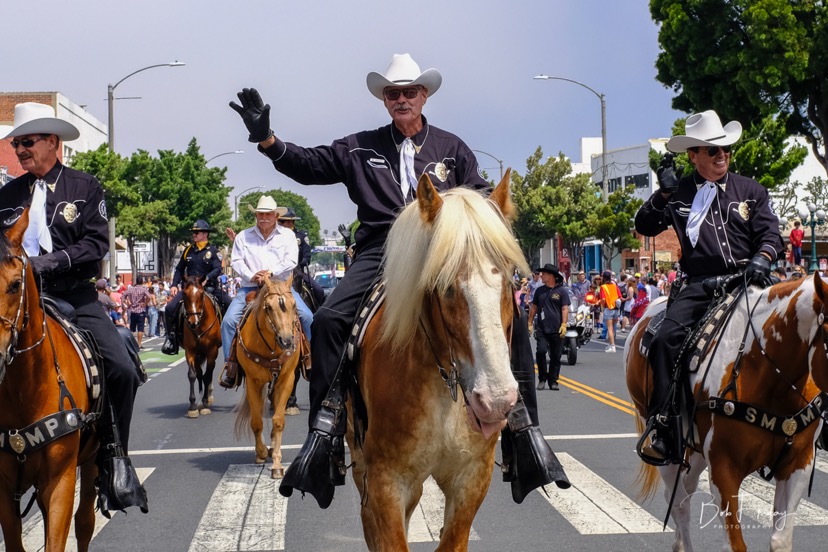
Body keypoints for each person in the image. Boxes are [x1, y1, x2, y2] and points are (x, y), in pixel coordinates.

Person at [230, 53, 563, 505]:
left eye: (409, 92)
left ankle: (525, 432)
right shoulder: (360, 147)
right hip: (382, 252)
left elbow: (481, 196)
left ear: (424, 96)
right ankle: (324, 434)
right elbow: (309, 164)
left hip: (441, 255)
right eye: (393, 93)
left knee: (510, 315)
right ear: (384, 100)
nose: (402, 99)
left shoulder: (452, 147)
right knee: (328, 321)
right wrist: (267, 140)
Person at [0, 102, 146, 511]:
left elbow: (95, 244)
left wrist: (45, 263)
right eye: (16, 144)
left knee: (119, 365)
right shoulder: (6, 195)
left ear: (52, 142)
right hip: (15, 299)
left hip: (73, 295)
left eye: (27, 142)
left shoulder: (85, 188)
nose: (20, 151)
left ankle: (115, 456)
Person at [634, 110, 783, 463]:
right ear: (693, 156)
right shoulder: (680, 192)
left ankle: (817, 414)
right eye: (712, 151)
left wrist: (764, 256)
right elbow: (645, 225)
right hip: (701, 286)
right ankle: (664, 426)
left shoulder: (750, 189)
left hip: (750, 280)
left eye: (726, 150)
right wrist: (664, 193)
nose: (722, 156)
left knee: (806, 324)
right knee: (666, 339)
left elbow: (770, 233)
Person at [219, 195, 314, 388]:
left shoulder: (287, 236)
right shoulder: (243, 237)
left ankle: (310, 359)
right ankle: (231, 366)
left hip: (280, 287)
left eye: (268, 214)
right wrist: (253, 275)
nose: (263, 217)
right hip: (250, 287)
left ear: (275, 216)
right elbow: (236, 261)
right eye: (260, 214)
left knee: (307, 317)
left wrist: (270, 273)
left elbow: (291, 261)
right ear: (256, 215)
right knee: (228, 322)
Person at [162, 219, 231, 355]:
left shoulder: (214, 251)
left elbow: (218, 269)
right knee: (170, 308)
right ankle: (171, 338)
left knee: (231, 305)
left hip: (209, 287)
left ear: (205, 234)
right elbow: (179, 269)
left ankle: (231, 339)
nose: (194, 235)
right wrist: (174, 284)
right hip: (190, 289)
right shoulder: (188, 250)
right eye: (193, 232)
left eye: (196, 232)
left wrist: (207, 279)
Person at [528, 264, 569, 391]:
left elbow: (565, 308)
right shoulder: (539, 291)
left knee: (556, 356)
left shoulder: (561, 291)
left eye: (544, 274)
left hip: (556, 328)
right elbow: (534, 307)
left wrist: (564, 324)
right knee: (540, 352)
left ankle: (553, 380)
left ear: (551, 276)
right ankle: (542, 379)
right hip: (542, 328)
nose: (542, 276)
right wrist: (529, 323)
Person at [122, 276, 153, 349]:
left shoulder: (131, 289)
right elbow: (149, 297)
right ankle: (139, 344)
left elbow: (123, 296)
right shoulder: (143, 289)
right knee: (140, 328)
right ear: (142, 281)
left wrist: (127, 303)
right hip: (140, 309)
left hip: (133, 310)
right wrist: (145, 303)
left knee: (132, 328)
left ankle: (131, 343)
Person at [598, 271, 622, 353]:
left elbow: (603, 300)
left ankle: (612, 346)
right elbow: (620, 297)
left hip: (608, 308)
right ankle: (611, 343)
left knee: (609, 328)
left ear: (604, 278)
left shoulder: (603, 287)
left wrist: (602, 308)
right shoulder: (615, 286)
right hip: (616, 309)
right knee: (613, 327)